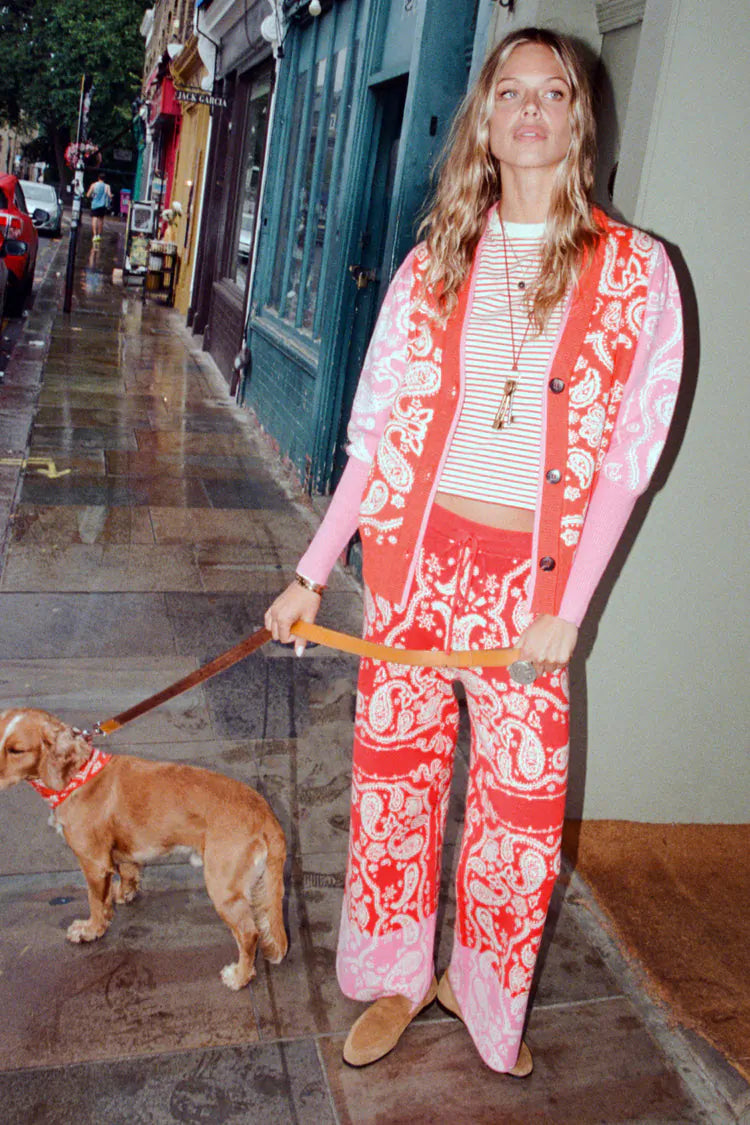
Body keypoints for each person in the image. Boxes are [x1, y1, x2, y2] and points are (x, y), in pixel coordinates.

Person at [265, 26, 683, 1076]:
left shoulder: (639, 276)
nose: (531, 110)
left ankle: (486, 1000)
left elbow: (629, 463)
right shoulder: (434, 263)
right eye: (510, 93)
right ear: (486, 121)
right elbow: (373, 437)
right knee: (395, 786)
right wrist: (312, 570)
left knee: (520, 814)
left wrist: (569, 612)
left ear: (579, 121)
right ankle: (399, 976)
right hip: (413, 572)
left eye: (554, 93)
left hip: (529, 598)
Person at [86, 172, 112, 242]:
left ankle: (94, 235)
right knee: (101, 220)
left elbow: (88, 195)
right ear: (104, 179)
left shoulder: (93, 185)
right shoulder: (107, 186)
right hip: (102, 205)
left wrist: (93, 196)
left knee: (94, 219)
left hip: (94, 205)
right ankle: (99, 235)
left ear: (98, 178)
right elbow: (109, 195)